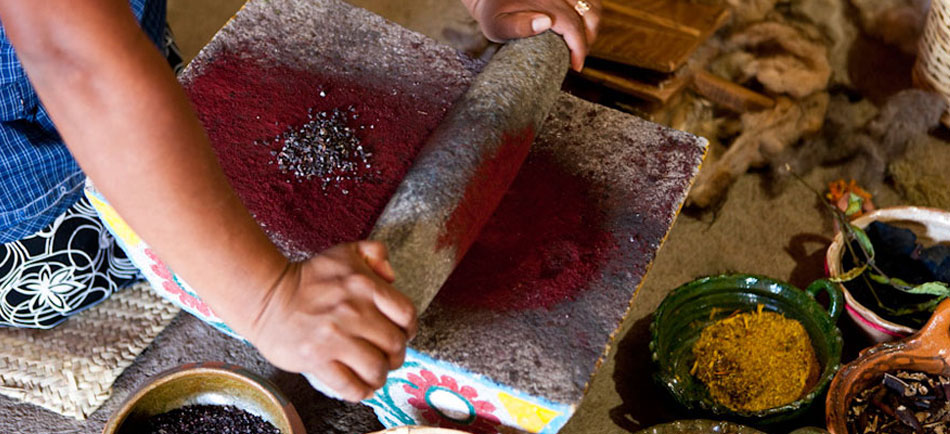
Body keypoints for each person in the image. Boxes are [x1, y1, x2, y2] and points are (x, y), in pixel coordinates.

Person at [0, 0, 600, 402]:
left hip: (118, 47)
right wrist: (268, 300)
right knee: (99, 256)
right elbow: (74, 58)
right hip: (28, 179)